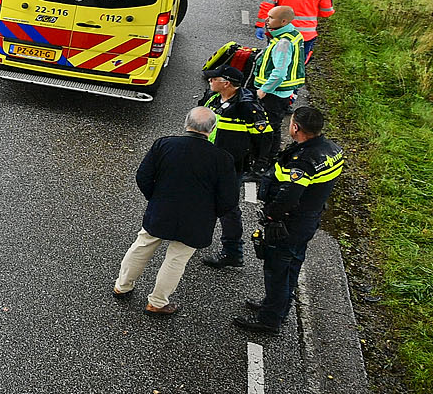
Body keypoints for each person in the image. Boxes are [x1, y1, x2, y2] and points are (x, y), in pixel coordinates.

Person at [114, 105, 240, 315]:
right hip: (197, 219)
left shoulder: (164, 145)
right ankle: (157, 302)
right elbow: (229, 198)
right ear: (212, 129)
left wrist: (155, 198)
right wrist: (211, 213)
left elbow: (143, 177)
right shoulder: (222, 159)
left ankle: (122, 286)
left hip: (162, 209)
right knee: (176, 260)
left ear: (186, 124)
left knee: (142, 246)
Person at [235, 105, 343, 336]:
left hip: (290, 224)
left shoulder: (302, 161)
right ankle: (277, 306)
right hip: (309, 219)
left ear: (296, 127)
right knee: (292, 265)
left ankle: (269, 320)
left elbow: (290, 194)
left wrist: (271, 215)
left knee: (277, 270)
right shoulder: (332, 150)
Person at [197, 65, 275, 268]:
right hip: (207, 160)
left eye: (214, 79)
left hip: (231, 167)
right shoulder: (213, 98)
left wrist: (258, 165)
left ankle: (233, 251)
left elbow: (265, 138)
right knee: (202, 200)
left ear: (227, 83)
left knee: (228, 209)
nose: (210, 81)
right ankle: (197, 236)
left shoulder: (248, 107)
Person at [252, 4, 307, 133]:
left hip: (274, 93)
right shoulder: (294, 34)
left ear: (283, 21)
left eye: (271, 17)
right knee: (273, 126)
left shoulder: (283, 42)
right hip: (282, 92)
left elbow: (280, 73)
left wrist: (263, 90)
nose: (266, 20)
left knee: (268, 128)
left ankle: (268, 152)